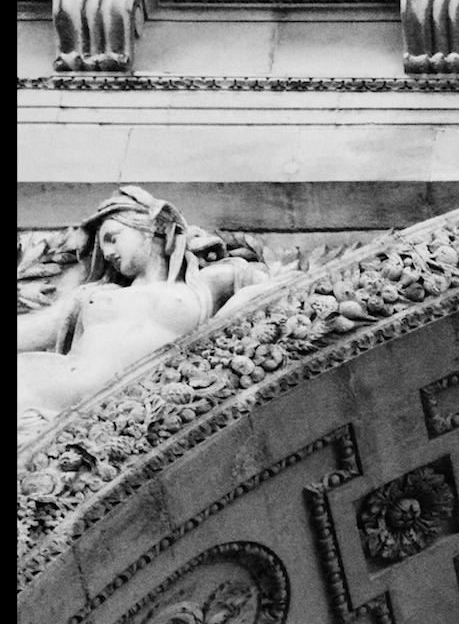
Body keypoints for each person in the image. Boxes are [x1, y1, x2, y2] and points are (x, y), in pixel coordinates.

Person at [17, 187, 271, 444]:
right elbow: (32, 331)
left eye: (113, 238)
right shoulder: (94, 295)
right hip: (43, 385)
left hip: (118, 404)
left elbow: (275, 292)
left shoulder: (203, 285)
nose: (106, 253)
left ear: (150, 227)